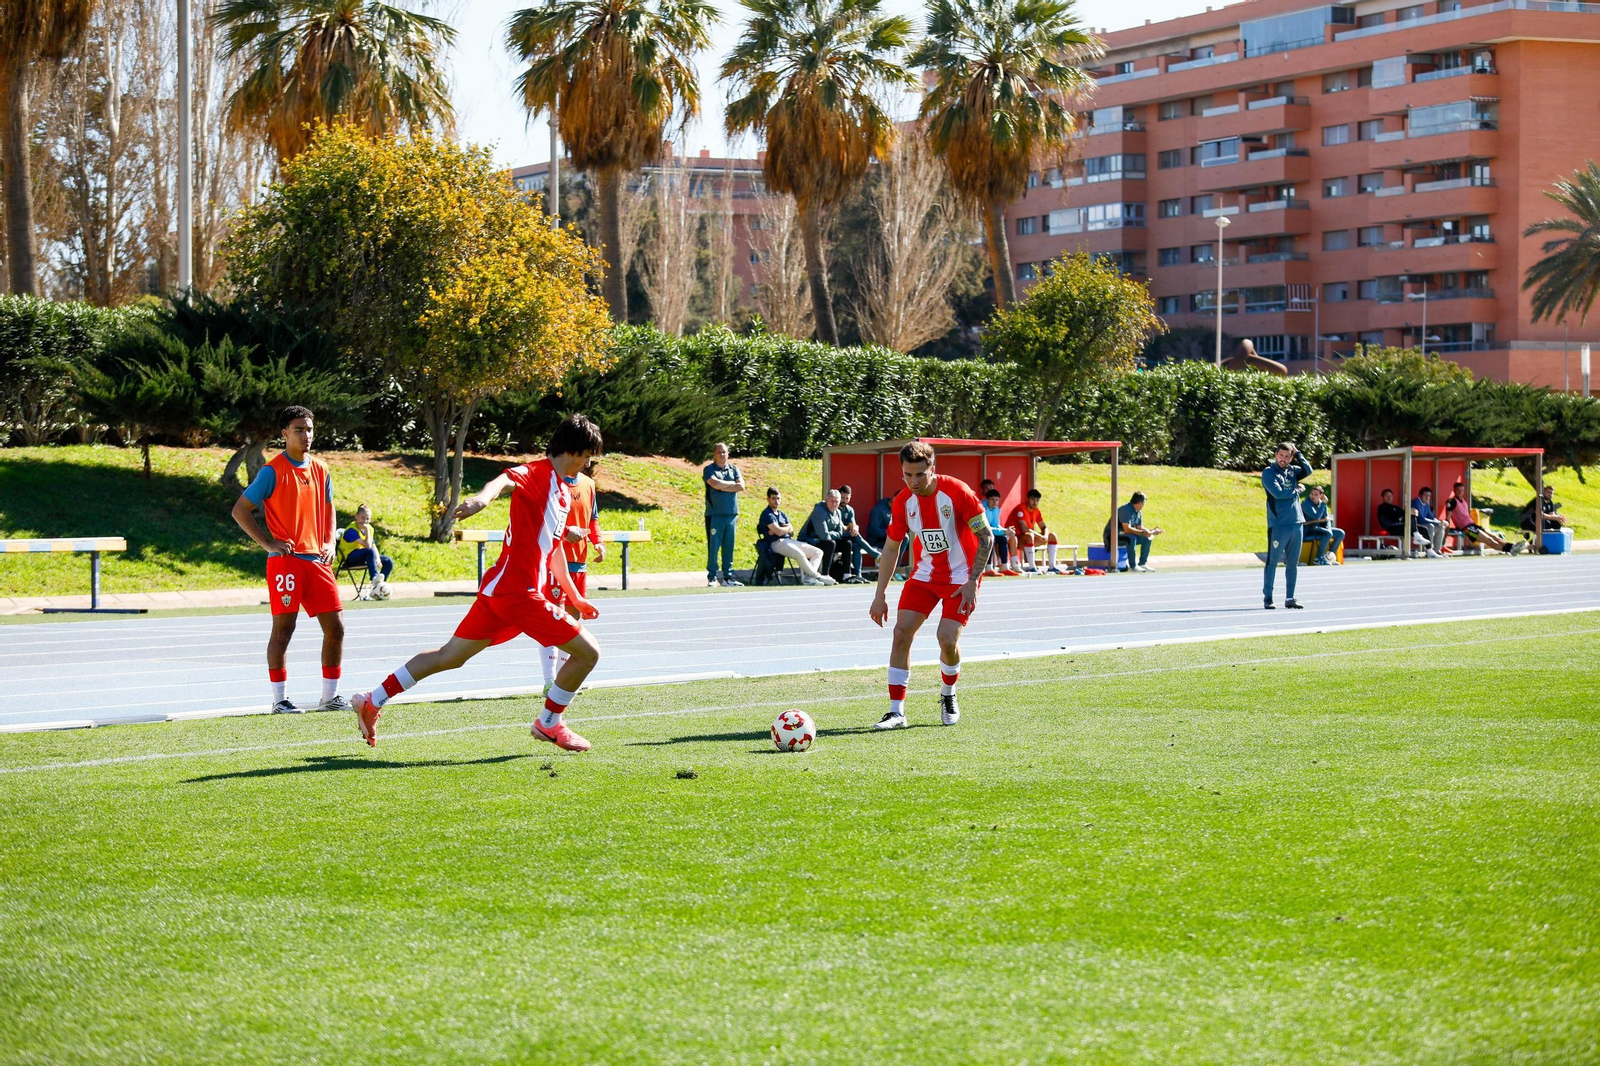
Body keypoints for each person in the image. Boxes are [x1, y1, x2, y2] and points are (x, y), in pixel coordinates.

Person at [350, 415, 606, 751]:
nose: (588, 464)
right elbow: (504, 480)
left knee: (449, 656)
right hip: (519, 594)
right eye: (586, 456)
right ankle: (549, 722)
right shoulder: (537, 473)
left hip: (500, 593)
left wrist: (575, 596)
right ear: (572, 449)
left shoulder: (561, 492)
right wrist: (481, 501)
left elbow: (553, 549)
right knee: (588, 653)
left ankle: (372, 699)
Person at [230, 405, 348, 715]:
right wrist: (267, 543)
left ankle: (329, 697)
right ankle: (280, 700)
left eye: (309, 429)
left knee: (336, 628)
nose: (306, 435)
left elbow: (329, 506)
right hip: (287, 561)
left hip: (318, 560)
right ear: (284, 433)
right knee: (284, 629)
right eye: (299, 430)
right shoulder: (272, 471)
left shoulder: (321, 469)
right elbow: (240, 510)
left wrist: (330, 540)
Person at [868, 441, 994, 730]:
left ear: (932, 469)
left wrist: (973, 581)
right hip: (925, 575)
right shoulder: (903, 501)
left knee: (947, 639)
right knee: (901, 632)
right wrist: (880, 594)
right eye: (907, 475)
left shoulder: (957, 492)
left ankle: (948, 693)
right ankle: (896, 712)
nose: (913, 482)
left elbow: (986, 537)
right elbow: (891, 548)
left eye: (919, 475)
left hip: (961, 577)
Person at [541, 455, 606, 686]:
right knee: (552, 619)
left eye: (591, 458)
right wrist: (566, 531)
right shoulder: (552, 482)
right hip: (554, 559)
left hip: (579, 561)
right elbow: (544, 517)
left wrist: (598, 542)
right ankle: (549, 680)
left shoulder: (588, 484)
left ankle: (563, 678)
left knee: (572, 619)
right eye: (585, 457)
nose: (588, 463)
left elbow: (593, 519)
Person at [1262, 442, 1313, 608]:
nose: (1283, 459)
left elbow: (1308, 470)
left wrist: (1299, 454)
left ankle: (1290, 598)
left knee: (1293, 563)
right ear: (1275, 455)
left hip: (1296, 523)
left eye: (1287, 456)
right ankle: (1268, 598)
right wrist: (1297, 491)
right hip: (1279, 525)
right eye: (1280, 455)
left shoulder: (1292, 471)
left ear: (1291, 458)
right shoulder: (1269, 472)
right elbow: (1278, 493)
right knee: (1273, 562)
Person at [757, 488, 833, 586]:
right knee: (800, 554)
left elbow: (791, 531)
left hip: (788, 540)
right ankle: (816, 576)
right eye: (773, 498)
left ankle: (809, 578)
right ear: (768, 499)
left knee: (818, 552)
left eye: (778, 498)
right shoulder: (767, 514)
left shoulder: (782, 514)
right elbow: (779, 532)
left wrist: (782, 529)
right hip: (775, 543)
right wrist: (785, 529)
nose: (776, 501)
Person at [703, 442, 745, 588]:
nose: (722, 454)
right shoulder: (709, 469)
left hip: (731, 514)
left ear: (728, 454)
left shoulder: (734, 469)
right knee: (714, 547)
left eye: (724, 452)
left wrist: (723, 486)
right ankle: (712, 577)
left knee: (729, 547)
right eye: (719, 452)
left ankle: (728, 577)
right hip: (715, 515)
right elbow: (714, 484)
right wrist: (731, 485)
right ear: (714, 454)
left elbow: (741, 486)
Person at [1445, 482, 1524, 554]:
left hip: (1473, 525)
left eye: (1462, 490)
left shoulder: (1464, 501)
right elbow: (1448, 517)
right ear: (1454, 490)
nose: (1460, 492)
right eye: (1458, 490)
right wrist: (1446, 527)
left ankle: (1512, 546)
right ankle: (1510, 549)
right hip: (1467, 528)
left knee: (1494, 536)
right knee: (1489, 540)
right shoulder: (1452, 501)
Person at [340, 504, 394, 597]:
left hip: (365, 555)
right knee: (369, 551)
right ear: (356, 517)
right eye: (362, 518)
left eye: (368, 519)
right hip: (349, 557)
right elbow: (368, 545)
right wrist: (366, 530)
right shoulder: (351, 530)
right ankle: (374, 577)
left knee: (388, 561)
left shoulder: (369, 528)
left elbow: (373, 546)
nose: (365, 521)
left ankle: (378, 588)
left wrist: (377, 559)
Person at [1104, 492, 1163, 573]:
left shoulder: (1138, 512)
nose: (1144, 505)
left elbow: (1140, 527)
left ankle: (1142, 563)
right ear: (1139, 503)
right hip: (1112, 536)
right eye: (1144, 503)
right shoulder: (1125, 510)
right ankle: (1133, 566)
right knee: (1131, 538)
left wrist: (1150, 531)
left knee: (1147, 538)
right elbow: (1127, 529)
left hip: (1125, 535)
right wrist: (1143, 533)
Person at [800, 489, 849, 582]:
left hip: (824, 540)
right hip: (809, 540)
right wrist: (832, 533)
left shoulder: (838, 512)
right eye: (832, 501)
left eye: (836, 501)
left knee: (847, 544)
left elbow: (840, 533)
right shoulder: (819, 511)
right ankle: (825, 574)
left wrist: (830, 533)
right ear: (826, 500)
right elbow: (824, 535)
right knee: (830, 544)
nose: (834, 504)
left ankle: (847, 575)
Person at [1010, 489, 1061, 573]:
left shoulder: (1036, 511)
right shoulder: (1020, 509)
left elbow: (1044, 527)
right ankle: (1032, 568)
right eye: (1032, 499)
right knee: (1029, 536)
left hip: (1029, 538)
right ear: (1027, 499)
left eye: (1037, 500)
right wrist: (1039, 536)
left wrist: (1045, 536)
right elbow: (1024, 529)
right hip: (1016, 539)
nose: (1035, 502)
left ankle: (1052, 566)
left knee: (1052, 536)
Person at [834, 485, 872, 583]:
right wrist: (850, 528)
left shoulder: (849, 509)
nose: (844, 501)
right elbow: (840, 528)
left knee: (856, 546)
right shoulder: (833, 507)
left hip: (846, 538)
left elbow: (853, 525)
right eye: (842, 498)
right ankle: (874, 553)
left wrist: (855, 527)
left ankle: (858, 575)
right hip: (835, 537)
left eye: (847, 498)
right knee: (854, 538)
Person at [982, 488, 1022, 576]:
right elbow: (985, 528)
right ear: (987, 499)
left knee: (1003, 539)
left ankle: (1005, 567)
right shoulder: (982, 508)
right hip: (979, 532)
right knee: (990, 539)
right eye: (992, 499)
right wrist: (1004, 531)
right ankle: (988, 569)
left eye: (997, 500)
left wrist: (1006, 531)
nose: (995, 502)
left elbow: (996, 525)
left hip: (989, 532)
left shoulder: (996, 509)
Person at [1300, 486, 1344, 565]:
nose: (1312, 496)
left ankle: (1330, 557)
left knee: (1340, 533)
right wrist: (1323, 504)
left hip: (1319, 528)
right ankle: (1318, 558)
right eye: (1311, 494)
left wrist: (1328, 528)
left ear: (1321, 495)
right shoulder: (1306, 503)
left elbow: (1326, 519)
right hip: (1308, 529)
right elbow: (1316, 516)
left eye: (1316, 494)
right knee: (1328, 533)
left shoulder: (1322, 503)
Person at [1412, 486, 1449, 557]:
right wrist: (1438, 522)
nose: (1427, 497)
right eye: (1425, 495)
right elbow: (1421, 519)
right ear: (1420, 495)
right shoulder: (1416, 502)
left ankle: (1437, 550)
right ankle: (1429, 550)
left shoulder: (1426, 504)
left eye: (1429, 496)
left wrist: (1441, 522)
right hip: (1415, 527)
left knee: (1440, 527)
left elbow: (1432, 518)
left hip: (1424, 525)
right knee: (1431, 527)